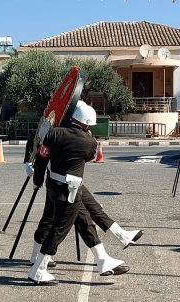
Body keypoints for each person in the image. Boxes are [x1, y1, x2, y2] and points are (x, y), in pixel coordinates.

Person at [24, 102, 143, 268]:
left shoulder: (54, 132)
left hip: (56, 182)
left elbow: (43, 156)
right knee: (55, 224)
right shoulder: (87, 141)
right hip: (67, 186)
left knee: (90, 213)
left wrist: (37, 180)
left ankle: (112, 247)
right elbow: (86, 156)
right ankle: (38, 263)